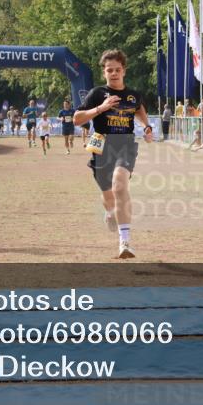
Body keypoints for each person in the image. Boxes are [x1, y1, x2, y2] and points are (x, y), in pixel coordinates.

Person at [74, 49, 153, 260]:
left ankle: (124, 242)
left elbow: (139, 108)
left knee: (120, 185)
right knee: (108, 197)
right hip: (100, 144)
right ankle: (109, 212)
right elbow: (77, 119)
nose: (114, 73)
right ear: (104, 73)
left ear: (124, 71)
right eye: (110, 70)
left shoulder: (133, 95)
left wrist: (146, 126)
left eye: (118, 70)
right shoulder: (97, 94)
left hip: (125, 144)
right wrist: (100, 108)